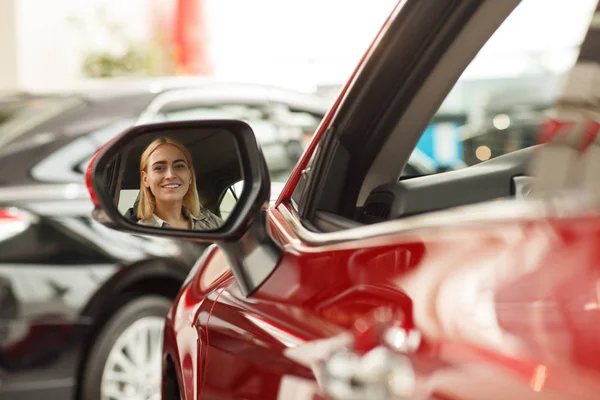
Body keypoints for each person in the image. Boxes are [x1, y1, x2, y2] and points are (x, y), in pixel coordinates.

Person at [136, 136, 224, 230]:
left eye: (179, 166)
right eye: (159, 168)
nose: (170, 175)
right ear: (145, 179)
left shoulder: (211, 222)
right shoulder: (138, 234)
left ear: (190, 176)